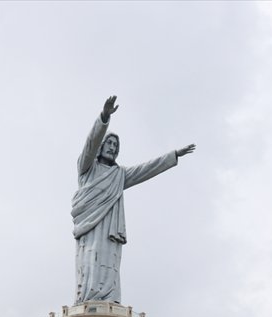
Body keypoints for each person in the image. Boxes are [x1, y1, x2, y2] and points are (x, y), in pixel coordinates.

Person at [71, 95, 195, 303]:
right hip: (89, 228)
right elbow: (90, 144)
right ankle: (89, 299)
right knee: (91, 259)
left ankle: (110, 299)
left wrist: (173, 155)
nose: (112, 147)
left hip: (109, 231)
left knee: (110, 260)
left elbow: (147, 169)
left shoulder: (119, 175)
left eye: (115, 145)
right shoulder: (87, 169)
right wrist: (104, 118)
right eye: (109, 143)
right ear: (101, 146)